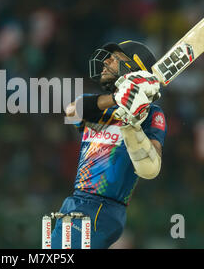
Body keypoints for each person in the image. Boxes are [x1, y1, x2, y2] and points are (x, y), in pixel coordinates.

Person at [51, 40, 167, 249]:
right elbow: (71, 111)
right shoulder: (98, 105)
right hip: (78, 201)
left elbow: (151, 166)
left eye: (115, 57)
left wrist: (133, 122)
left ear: (133, 66)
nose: (106, 61)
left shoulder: (152, 113)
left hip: (102, 206)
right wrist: (116, 99)